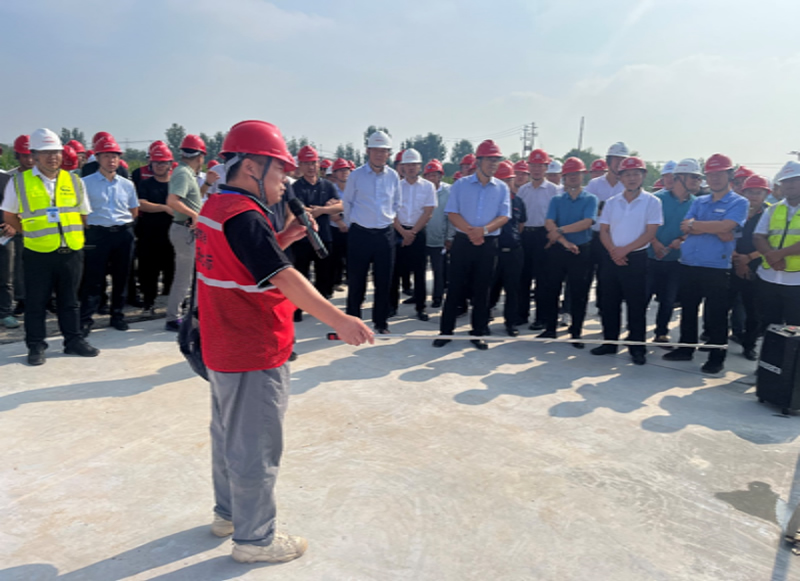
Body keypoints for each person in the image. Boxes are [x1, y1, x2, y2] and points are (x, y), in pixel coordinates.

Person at [196, 119, 373, 564]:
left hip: (222, 345)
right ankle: (255, 540)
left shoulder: (217, 206)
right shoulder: (245, 216)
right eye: (280, 170)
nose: (285, 181)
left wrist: (283, 237)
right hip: (252, 348)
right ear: (251, 168)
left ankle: (228, 515)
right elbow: (283, 277)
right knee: (255, 446)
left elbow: (245, 261)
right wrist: (339, 319)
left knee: (228, 436)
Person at [0, 128, 99, 365]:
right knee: (36, 302)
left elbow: (83, 214)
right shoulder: (19, 182)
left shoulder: (73, 180)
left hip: (71, 251)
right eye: (45, 152)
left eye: (56, 152)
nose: (52, 157)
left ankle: (73, 341)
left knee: (70, 301)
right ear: (34, 155)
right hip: (38, 253)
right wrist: (30, 232)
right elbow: (9, 215)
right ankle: (36, 345)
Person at [663, 154, 749, 374]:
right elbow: (685, 226)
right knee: (688, 309)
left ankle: (716, 357)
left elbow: (727, 227)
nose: (715, 178)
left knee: (716, 314)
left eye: (720, 174)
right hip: (689, 263)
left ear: (729, 175)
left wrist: (699, 226)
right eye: (711, 174)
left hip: (716, 267)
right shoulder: (699, 201)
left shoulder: (739, 202)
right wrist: (716, 227)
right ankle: (685, 349)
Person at [434, 140, 510, 350]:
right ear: (478, 161)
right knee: (455, 287)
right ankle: (446, 331)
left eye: (496, 160)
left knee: (483, 289)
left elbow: (504, 216)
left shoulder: (502, 188)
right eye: (489, 159)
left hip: (488, 242)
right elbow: (452, 212)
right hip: (463, 242)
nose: (493, 164)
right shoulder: (461, 185)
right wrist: (472, 232)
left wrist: (483, 231)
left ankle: (478, 332)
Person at [591, 156, 662, 365]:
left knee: (636, 305)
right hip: (611, 257)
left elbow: (650, 233)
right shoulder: (612, 202)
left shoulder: (652, 202)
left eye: (635, 174)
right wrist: (614, 251)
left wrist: (625, 251)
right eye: (627, 174)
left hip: (637, 259)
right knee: (609, 303)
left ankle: (637, 347)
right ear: (620, 177)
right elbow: (604, 230)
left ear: (643, 176)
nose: (631, 178)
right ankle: (609, 342)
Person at [341, 130, 401, 334]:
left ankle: (381, 322)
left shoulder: (393, 176)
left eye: (383, 151)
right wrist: (353, 224)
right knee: (357, 280)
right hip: (360, 234)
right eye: (375, 150)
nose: (379, 154)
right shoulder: (356, 175)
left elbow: (396, 202)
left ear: (388, 153)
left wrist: (386, 218)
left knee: (384, 281)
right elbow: (347, 203)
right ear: (368, 151)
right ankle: (353, 322)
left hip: (385, 234)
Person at [79, 134, 139, 333]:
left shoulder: (126, 184)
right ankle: (86, 319)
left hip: (123, 233)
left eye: (114, 156)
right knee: (93, 278)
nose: (111, 160)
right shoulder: (85, 183)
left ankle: (117, 315)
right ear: (97, 158)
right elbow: (81, 212)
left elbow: (134, 210)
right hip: (97, 234)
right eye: (106, 156)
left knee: (122, 276)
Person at [539, 157, 598, 347]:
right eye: (569, 174)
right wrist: (564, 241)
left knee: (579, 292)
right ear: (564, 177)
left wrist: (560, 230)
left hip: (581, 250)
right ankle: (550, 328)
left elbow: (587, 222)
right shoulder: (556, 200)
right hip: (559, 249)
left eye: (576, 174)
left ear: (582, 176)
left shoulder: (590, 199)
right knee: (552, 289)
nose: (573, 177)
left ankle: (576, 331)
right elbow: (549, 222)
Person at [647, 158, 701, 345]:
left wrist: (681, 239)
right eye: (693, 177)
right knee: (642, 297)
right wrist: (654, 242)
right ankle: (634, 333)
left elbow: (696, 228)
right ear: (680, 177)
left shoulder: (697, 203)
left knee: (668, 300)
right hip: (649, 257)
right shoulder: (657, 199)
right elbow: (644, 224)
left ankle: (661, 332)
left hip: (675, 260)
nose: (696, 181)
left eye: (698, 178)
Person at [290, 145, 341, 307]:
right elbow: (296, 208)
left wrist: (322, 210)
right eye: (306, 163)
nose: (311, 167)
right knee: (301, 275)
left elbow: (340, 206)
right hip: (302, 238)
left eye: (313, 163)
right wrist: (321, 209)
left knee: (324, 275)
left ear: (319, 164)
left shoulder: (327, 185)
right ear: (300, 165)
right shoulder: (295, 187)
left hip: (324, 236)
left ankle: (321, 307)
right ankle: (299, 308)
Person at [164, 134, 206, 331]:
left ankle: (193, 313)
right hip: (185, 229)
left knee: (192, 276)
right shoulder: (183, 173)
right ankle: (173, 317)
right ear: (201, 157)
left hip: (187, 230)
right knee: (184, 277)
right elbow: (172, 201)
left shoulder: (185, 172)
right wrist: (194, 215)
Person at [753, 161, 800, 328]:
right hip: (769, 278)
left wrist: (779, 254)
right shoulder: (772, 209)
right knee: (769, 327)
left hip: (796, 282)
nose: (790, 184)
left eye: (794, 180)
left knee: (795, 330)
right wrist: (771, 257)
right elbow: (758, 236)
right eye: (785, 181)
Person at [390, 148, 436, 320]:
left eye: (414, 164)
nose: (410, 168)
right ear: (402, 166)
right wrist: (403, 232)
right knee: (395, 271)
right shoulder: (395, 186)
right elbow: (390, 212)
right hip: (398, 230)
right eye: (407, 164)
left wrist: (412, 233)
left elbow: (428, 212)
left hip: (418, 231)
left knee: (419, 271)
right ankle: (392, 306)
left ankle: (420, 307)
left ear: (420, 166)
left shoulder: (428, 186)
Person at [585, 142, 629, 316]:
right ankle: (572, 310)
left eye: (622, 160)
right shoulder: (595, 184)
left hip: (614, 238)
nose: (619, 163)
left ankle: (604, 309)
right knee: (585, 275)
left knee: (607, 277)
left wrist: (603, 208)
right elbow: (589, 209)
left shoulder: (627, 186)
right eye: (616, 159)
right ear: (609, 161)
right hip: (593, 235)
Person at [516, 148, 558, 329]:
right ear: (529, 167)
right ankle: (521, 314)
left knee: (543, 280)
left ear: (546, 168)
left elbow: (558, 216)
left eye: (540, 166)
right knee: (523, 278)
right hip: (525, 235)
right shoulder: (522, 190)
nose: (537, 169)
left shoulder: (554, 190)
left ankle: (542, 317)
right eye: (533, 165)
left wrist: (553, 236)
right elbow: (518, 216)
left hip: (544, 236)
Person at [729, 174, 770, 360]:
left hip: (755, 268)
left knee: (753, 311)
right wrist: (737, 258)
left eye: (758, 192)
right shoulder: (736, 210)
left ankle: (749, 345)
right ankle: (715, 341)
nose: (753, 196)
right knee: (721, 305)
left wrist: (748, 259)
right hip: (730, 263)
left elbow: (772, 242)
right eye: (750, 192)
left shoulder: (770, 214)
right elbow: (726, 233)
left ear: (765, 194)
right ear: (743, 192)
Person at [136, 142, 176, 314]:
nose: (160, 166)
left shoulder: (176, 185)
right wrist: (164, 208)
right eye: (156, 162)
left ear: (170, 164)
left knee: (172, 270)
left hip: (172, 235)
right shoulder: (145, 184)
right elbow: (141, 203)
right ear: (151, 164)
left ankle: (174, 306)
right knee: (148, 272)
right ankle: (148, 303)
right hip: (149, 235)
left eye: (163, 162)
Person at [489, 160, 526, 336]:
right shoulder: (490, 201)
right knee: (490, 287)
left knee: (513, 289)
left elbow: (521, 225)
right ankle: (484, 319)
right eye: (502, 180)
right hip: (494, 250)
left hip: (513, 252)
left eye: (509, 180)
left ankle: (511, 323)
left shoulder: (518, 201)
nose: (506, 183)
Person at [422, 159, 451, 309]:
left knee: (438, 270)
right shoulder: (421, 190)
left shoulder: (448, 192)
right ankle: (418, 296)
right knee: (419, 270)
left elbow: (452, 217)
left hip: (439, 239)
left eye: (434, 175)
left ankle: (437, 296)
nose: (431, 178)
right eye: (428, 175)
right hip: (422, 237)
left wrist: (449, 237)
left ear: (440, 176)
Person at [328, 158, 351, 291]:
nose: (344, 173)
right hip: (335, 228)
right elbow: (329, 208)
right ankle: (335, 282)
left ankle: (351, 280)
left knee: (352, 257)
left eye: (346, 170)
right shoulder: (331, 189)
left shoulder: (353, 189)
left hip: (352, 227)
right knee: (335, 257)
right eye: (340, 170)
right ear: (335, 173)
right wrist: (339, 221)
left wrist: (340, 213)